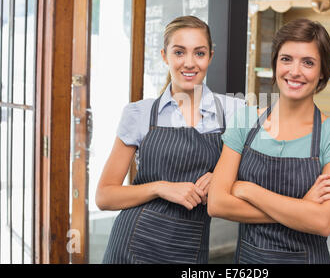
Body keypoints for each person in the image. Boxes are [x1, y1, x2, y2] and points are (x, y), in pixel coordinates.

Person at [208, 18, 330, 264]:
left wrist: (247, 189)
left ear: (322, 72)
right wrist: (301, 208)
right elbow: (217, 204)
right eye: (286, 59)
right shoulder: (245, 120)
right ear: (275, 63)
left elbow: (322, 222)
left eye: (308, 63)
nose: (295, 71)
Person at [97, 16, 245, 264]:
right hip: (133, 244)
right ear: (165, 56)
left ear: (210, 56)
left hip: (190, 246)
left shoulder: (234, 111)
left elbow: (256, 171)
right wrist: (160, 187)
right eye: (179, 52)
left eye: (199, 53)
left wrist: (222, 176)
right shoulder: (140, 113)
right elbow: (105, 196)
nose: (189, 63)